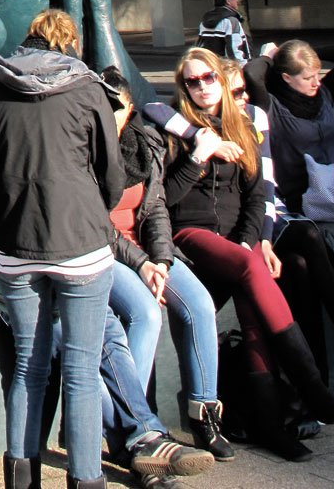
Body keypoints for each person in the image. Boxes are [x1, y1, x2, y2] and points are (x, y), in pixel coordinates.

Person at [0, 8, 122, 489]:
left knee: (28, 366)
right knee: (81, 369)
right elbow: (112, 174)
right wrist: (90, 210)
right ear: (68, 43)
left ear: (27, 40)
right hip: (82, 246)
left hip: (16, 247)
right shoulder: (88, 87)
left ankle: (21, 479)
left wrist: (4, 214)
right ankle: (86, 479)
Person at [158, 47, 334, 462]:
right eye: (193, 81)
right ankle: (310, 383)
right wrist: (197, 155)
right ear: (183, 86)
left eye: (209, 78)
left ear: (221, 82)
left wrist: (251, 239)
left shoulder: (243, 126)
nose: (203, 86)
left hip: (234, 241)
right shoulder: (172, 126)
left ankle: (268, 422)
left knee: (252, 300)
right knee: (249, 267)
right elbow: (163, 199)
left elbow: (256, 197)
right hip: (189, 233)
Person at [99, 67, 232, 461]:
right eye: (103, 109)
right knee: (146, 315)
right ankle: (132, 429)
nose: (111, 117)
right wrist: (143, 265)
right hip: (109, 252)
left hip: (148, 249)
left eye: (117, 109)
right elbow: (95, 225)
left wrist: (160, 258)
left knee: (199, 306)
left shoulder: (146, 141)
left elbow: (155, 207)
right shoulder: (84, 148)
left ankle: (204, 415)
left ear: (129, 109)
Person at [241, 42, 334, 378]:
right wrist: (271, 56)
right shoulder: (270, 105)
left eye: (318, 74)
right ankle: (321, 371)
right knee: (300, 268)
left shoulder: (324, 96)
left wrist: (304, 48)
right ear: (286, 78)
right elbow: (251, 72)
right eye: (307, 77)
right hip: (292, 208)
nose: (316, 81)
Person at [195, 0, 250, 65]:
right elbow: (235, 52)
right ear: (228, 0)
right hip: (227, 71)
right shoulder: (231, 21)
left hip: (210, 68)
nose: (237, 0)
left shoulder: (204, 20)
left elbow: (200, 47)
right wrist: (243, 68)